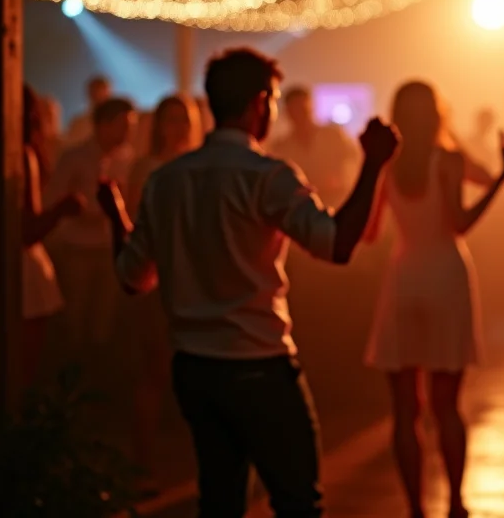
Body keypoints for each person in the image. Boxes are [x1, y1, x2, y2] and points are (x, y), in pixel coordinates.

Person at [97, 48, 399, 518]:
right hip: (259, 364)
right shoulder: (267, 177)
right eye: (273, 100)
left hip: (195, 369)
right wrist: (375, 164)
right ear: (260, 102)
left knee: (219, 501)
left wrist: (117, 218)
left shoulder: (166, 181)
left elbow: (133, 278)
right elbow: (336, 244)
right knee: (297, 501)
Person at [363, 82, 504, 518]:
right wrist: (501, 177)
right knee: (447, 405)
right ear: (436, 114)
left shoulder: (387, 166)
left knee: (404, 410)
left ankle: (414, 508)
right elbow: (460, 223)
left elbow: (370, 233)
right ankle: (455, 503)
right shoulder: (447, 160)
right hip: (446, 277)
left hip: (404, 275)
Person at [0, 85, 82, 389]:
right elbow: (26, 232)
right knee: (17, 377)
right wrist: (64, 208)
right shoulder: (18, 154)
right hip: (19, 277)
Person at [123, 94, 203, 485]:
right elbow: (139, 223)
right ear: (158, 125)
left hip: (196, 282)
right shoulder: (147, 167)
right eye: (172, 119)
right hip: (158, 280)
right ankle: (143, 462)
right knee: (153, 370)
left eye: (185, 119)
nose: (180, 127)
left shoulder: (199, 167)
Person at [47, 96, 136, 353]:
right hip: (77, 248)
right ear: (103, 125)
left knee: (104, 319)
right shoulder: (74, 157)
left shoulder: (126, 160)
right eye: (123, 124)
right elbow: (54, 198)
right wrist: (84, 211)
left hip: (110, 249)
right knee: (75, 316)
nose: (128, 132)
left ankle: (98, 373)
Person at [269, 86, 362, 209]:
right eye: (295, 110)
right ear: (288, 112)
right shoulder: (282, 147)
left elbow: (355, 158)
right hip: (302, 210)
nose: (300, 115)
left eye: (303, 109)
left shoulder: (333, 136)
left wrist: (341, 177)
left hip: (338, 203)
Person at [65, 75, 113, 146]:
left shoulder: (118, 122)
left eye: (102, 91)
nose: (99, 95)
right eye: (95, 91)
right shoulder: (79, 124)